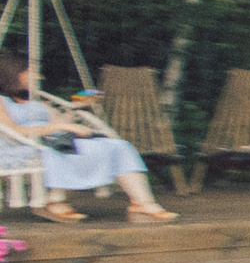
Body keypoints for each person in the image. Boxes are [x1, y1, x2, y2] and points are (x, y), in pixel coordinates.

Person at [0, 52, 178, 224]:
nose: (39, 77)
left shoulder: (38, 102)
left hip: (57, 140)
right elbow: (13, 131)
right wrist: (61, 127)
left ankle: (142, 203)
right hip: (24, 144)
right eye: (31, 72)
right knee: (79, 150)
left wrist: (77, 108)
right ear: (14, 73)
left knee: (119, 146)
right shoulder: (2, 102)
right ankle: (54, 201)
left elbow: (62, 123)